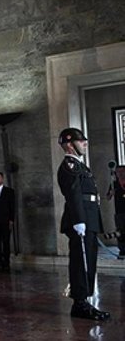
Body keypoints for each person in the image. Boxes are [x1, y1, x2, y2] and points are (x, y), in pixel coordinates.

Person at [56, 128, 110, 321]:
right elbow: (73, 195)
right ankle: (80, 304)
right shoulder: (69, 166)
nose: (85, 143)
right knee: (81, 263)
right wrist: (79, 220)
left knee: (89, 262)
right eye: (81, 141)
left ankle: (84, 301)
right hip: (81, 222)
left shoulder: (80, 166)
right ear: (70, 144)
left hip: (89, 220)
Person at [106, 165, 125, 259]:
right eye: (118, 172)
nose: (120, 174)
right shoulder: (114, 183)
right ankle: (122, 250)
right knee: (120, 232)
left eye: (122, 172)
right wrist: (111, 193)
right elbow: (107, 197)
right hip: (119, 211)